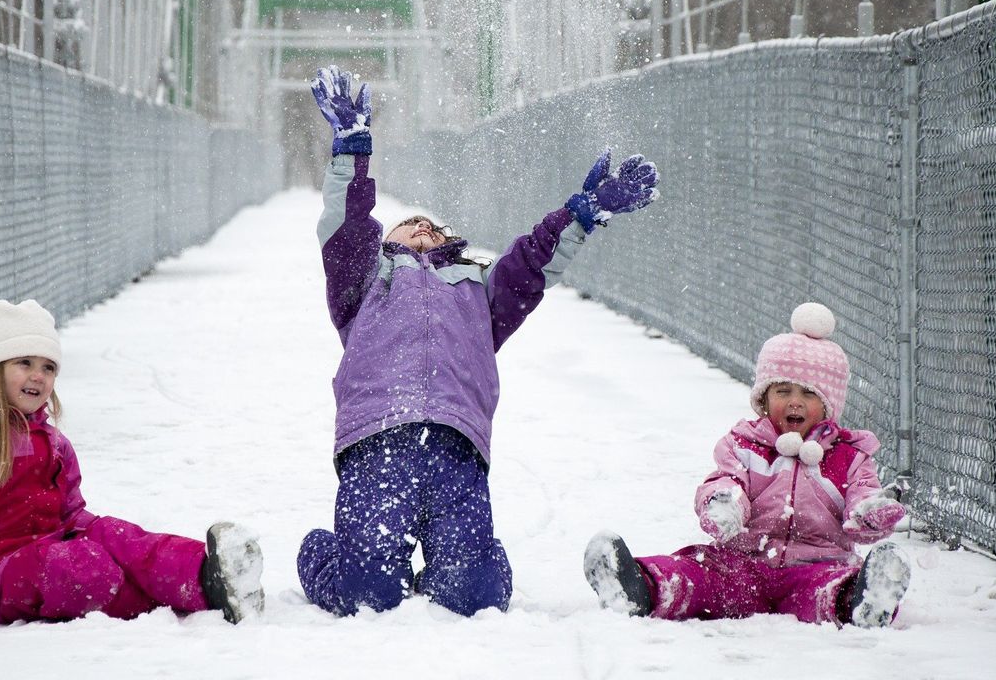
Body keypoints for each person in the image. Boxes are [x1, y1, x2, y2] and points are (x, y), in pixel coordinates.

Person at [297, 65, 659, 617]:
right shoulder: (363, 283)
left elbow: (533, 263)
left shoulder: (478, 290)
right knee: (366, 593)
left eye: (434, 229)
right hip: (378, 441)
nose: (422, 231)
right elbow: (346, 223)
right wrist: (352, 150)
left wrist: (580, 216)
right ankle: (325, 553)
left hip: (456, 444)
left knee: (475, 597)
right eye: (408, 226)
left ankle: (468, 565)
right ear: (383, 242)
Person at [0, 299, 265, 624]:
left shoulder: (54, 443)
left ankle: (208, 575)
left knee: (119, 538)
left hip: (45, 547)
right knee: (82, 567)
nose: (38, 376)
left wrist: (109, 538)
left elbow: (69, 513)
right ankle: (170, 598)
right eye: (24, 363)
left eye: (48, 367)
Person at [584, 302, 911, 628]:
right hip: (741, 563)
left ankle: (863, 601)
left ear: (828, 407)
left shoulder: (849, 457)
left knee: (825, 592)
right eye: (783, 391)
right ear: (765, 400)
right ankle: (639, 587)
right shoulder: (745, 445)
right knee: (698, 573)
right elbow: (725, 480)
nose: (795, 401)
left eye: (809, 394)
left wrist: (872, 513)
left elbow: (861, 499)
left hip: (816, 565)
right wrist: (723, 505)